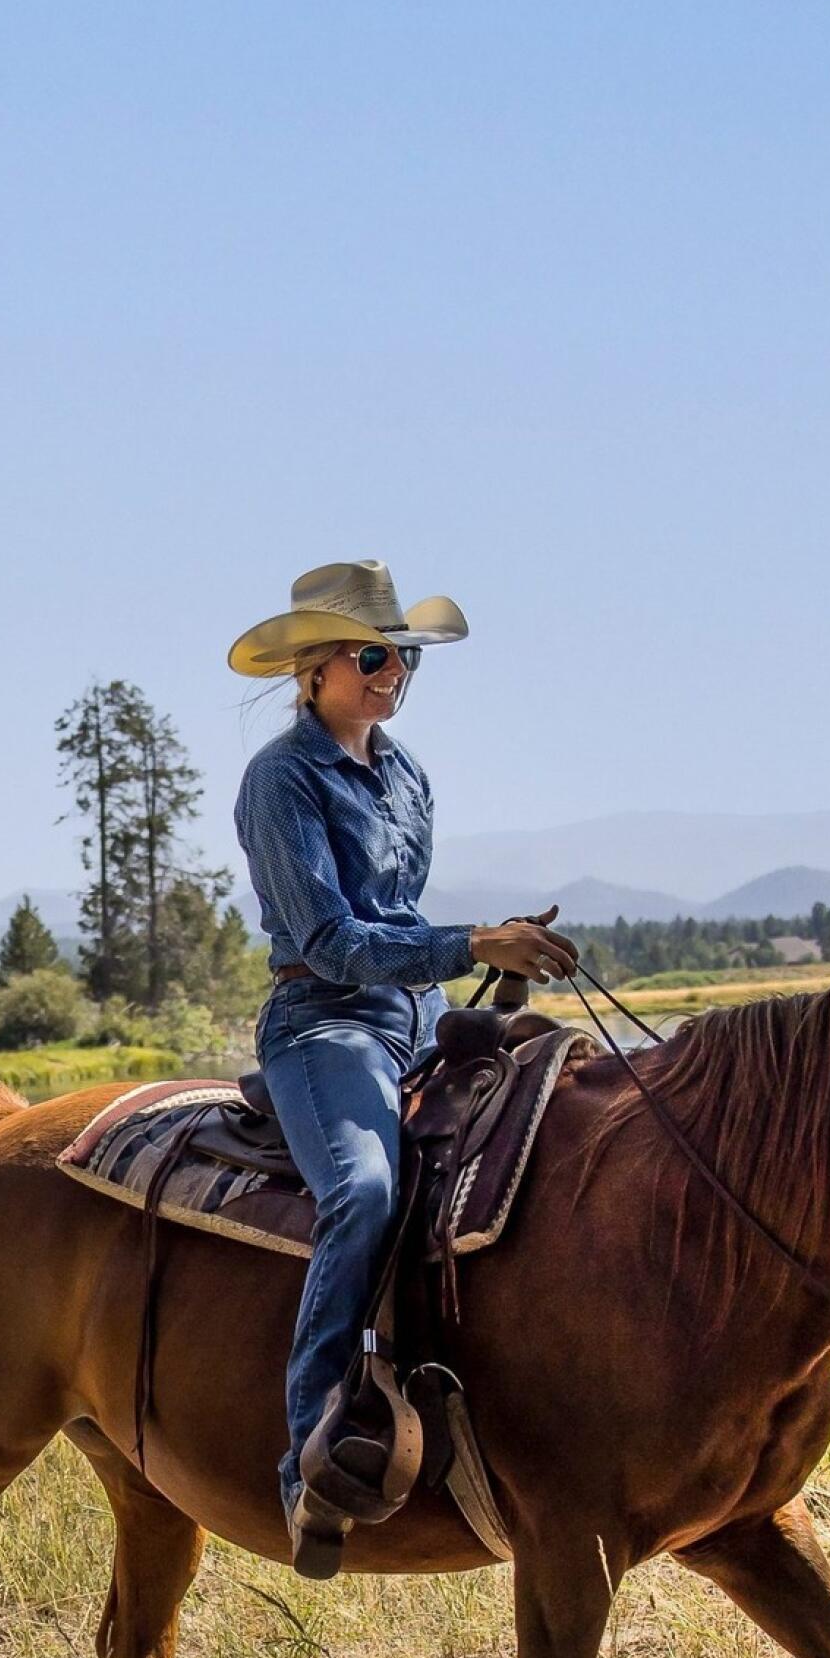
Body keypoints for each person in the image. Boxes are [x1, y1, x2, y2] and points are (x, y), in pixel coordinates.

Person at [230, 562, 579, 1571]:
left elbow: (401, 920)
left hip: (414, 1018)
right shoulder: (282, 780)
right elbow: (334, 941)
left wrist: (492, 955)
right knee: (366, 1190)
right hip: (323, 1023)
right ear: (314, 671)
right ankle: (313, 1454)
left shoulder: (407, 774)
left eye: (405, 657)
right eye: (375, 655)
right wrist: (475, 946)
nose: (395, 674)